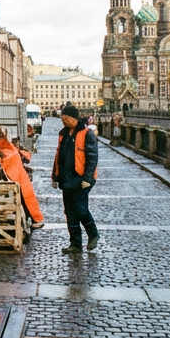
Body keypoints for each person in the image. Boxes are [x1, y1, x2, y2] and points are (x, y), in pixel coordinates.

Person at [53, 103, 100, 254]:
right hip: (67, 178)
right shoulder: (63, 134)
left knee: (80, 209)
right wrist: (55, 176)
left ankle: (93, 234)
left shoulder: (87, 133)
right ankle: (75, 244)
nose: (63, 121)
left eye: (65, 118)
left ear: (73, 118)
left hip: (81, 178)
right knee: (70, 212)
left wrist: (87, 178)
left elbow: (92, 157)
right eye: (62, 118)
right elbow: (59, 156)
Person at [0, 127, 43, 229]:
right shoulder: (10, 148)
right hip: (19, 174)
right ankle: (33, 218)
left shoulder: (6, 148)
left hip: (16, 174)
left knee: (24, 197)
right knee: (26, 196)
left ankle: (32, 218)